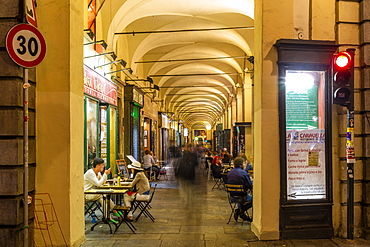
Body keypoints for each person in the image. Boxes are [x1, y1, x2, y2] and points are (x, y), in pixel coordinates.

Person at [84, 158, 122, 223]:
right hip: (86, 194)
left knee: (103, 197)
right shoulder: (90, 173)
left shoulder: (97, 173)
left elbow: (103, 182)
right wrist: (105, 174)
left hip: (92, 192)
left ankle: (108, 217)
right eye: (102, 165)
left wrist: (105, 176)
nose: (103, 166)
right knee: (103, 194)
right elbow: (98, 184)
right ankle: (114, 210)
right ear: (97, 165)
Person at [226, 157, 253, 221]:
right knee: (255, 200)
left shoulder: (229, 172)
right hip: (242, 197)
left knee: (240, 194)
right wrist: (251, 180)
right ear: (241, 165)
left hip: (232, 197)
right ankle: (240, 211)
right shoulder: (243, 173)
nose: (245, 165)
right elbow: (249, 185)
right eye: (244, 163)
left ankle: (241, 212)